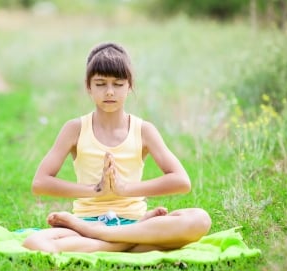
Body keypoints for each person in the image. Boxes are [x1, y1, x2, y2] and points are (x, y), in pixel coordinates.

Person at [22, 42, 211, 253]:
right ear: (88, 87)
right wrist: (95, 191)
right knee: (34, 243)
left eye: (118, 84)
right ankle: (122, 243)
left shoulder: (143, 130)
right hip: (90, 222)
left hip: (134, 223)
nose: (110, 92)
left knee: (200, 219)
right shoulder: (75, 129)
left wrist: (125, 189)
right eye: (101, 84)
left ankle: (105, 240)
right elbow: (40, 182)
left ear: (129, 86)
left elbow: (181, 181)